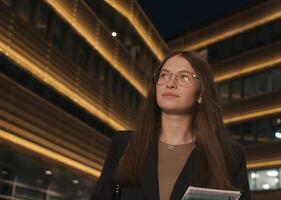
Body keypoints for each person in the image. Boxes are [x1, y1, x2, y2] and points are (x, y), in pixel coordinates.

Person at [90, 50, 250, 200]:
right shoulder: (123, 144)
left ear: (201, 94)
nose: (170, 83)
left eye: (184, 77)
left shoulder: (230, 155)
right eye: (164, 75)